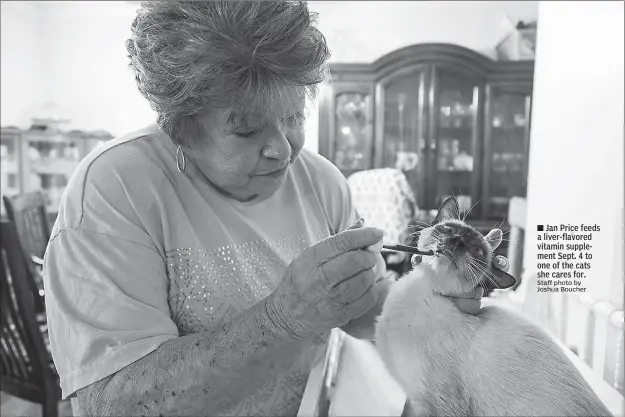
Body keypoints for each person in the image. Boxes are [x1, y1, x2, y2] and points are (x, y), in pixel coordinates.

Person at [42, 2, 510, 416]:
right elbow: (113, 403)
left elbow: (364, 312)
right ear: (180, 127)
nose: (284, 151)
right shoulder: (115, 188)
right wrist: (281, 320)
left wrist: (441, 298)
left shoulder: (322, 180)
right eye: (247, 131)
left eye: (293, 116)